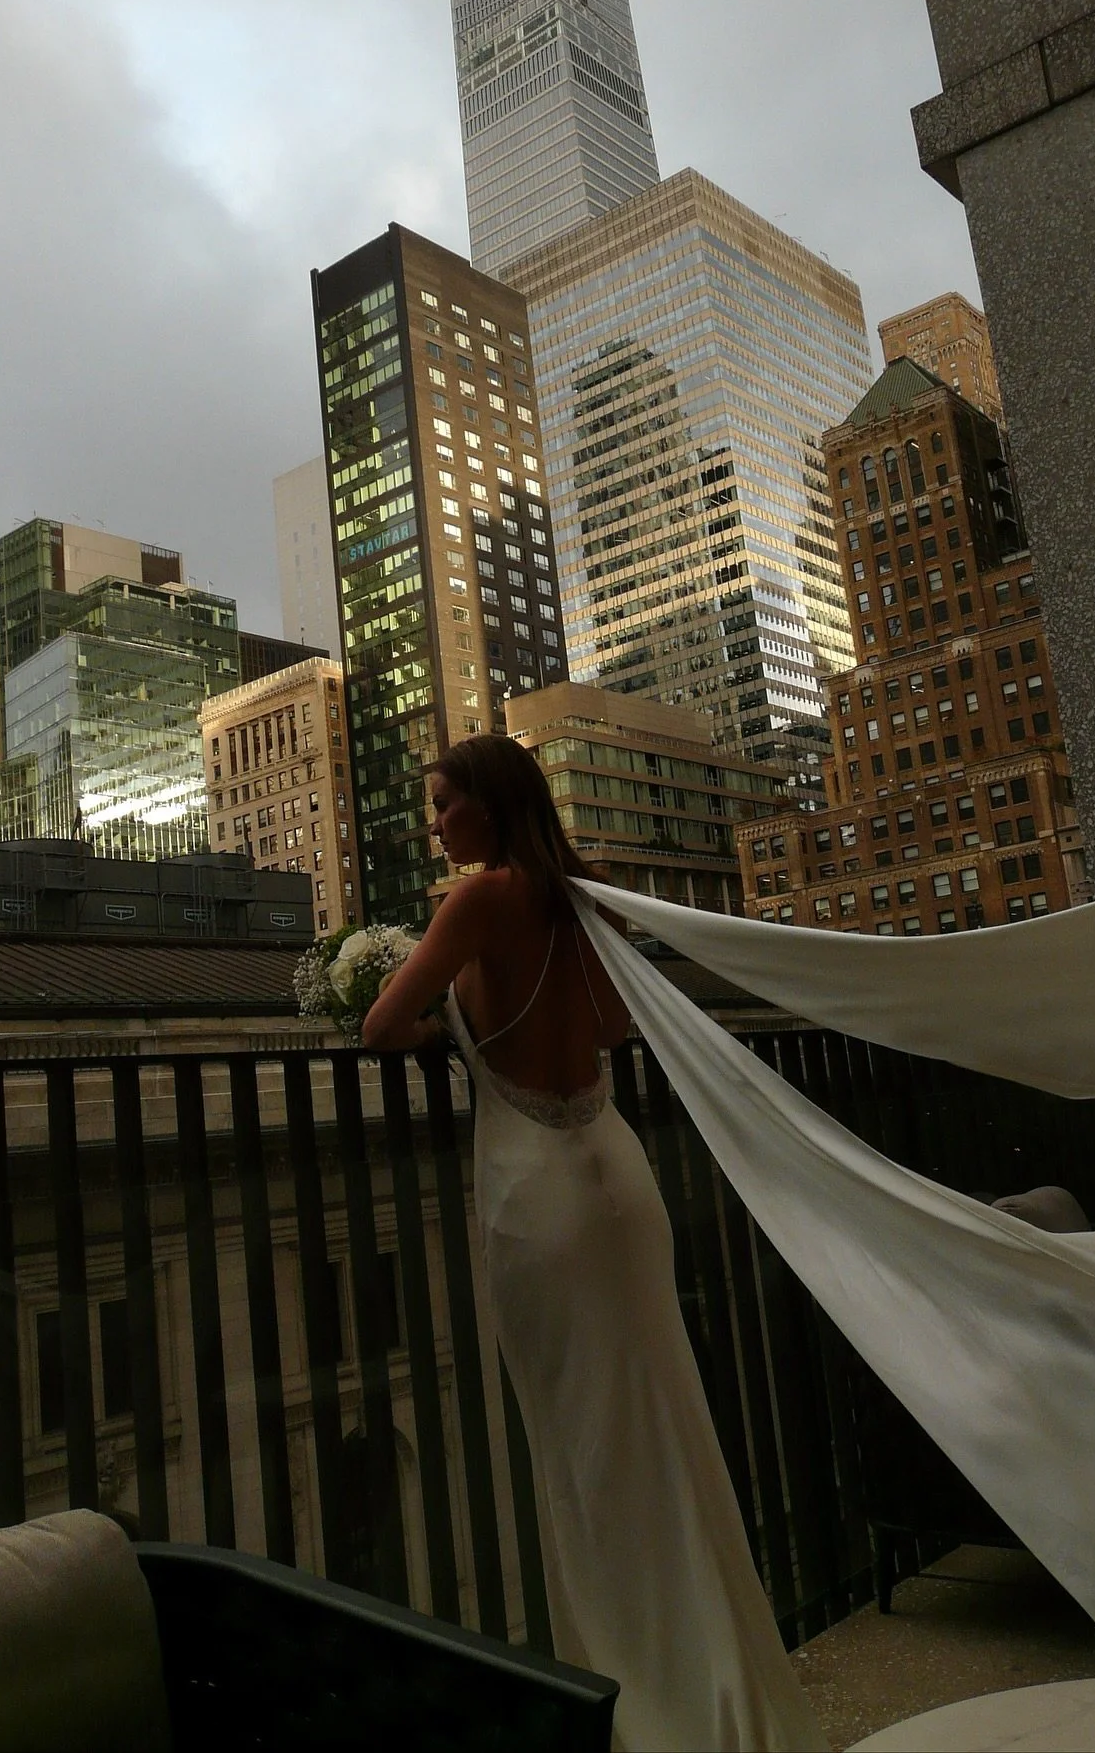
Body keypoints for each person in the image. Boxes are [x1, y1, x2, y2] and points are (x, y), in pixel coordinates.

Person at [363, 734, 823, 1753]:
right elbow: (614, 1028)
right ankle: (719, 1679)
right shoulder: (595, 891)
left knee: (583, 1452)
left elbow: (379, 1026)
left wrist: (445, 1022)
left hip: (537, 1192)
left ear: (488, 805)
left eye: (444, 806)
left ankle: (641, 1703)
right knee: (667, 1426)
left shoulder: (480, 901)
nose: (435, 825)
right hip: (617, 1168)